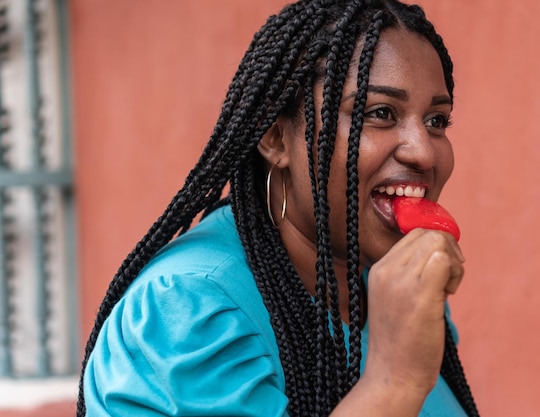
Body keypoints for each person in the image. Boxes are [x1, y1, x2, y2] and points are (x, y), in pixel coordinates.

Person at [77, 0, 480, 416]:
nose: (424, 153)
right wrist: (395, 382)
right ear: (275, 139)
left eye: (437, 120)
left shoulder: (388, 280)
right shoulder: (188, 313)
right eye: (379, 113)